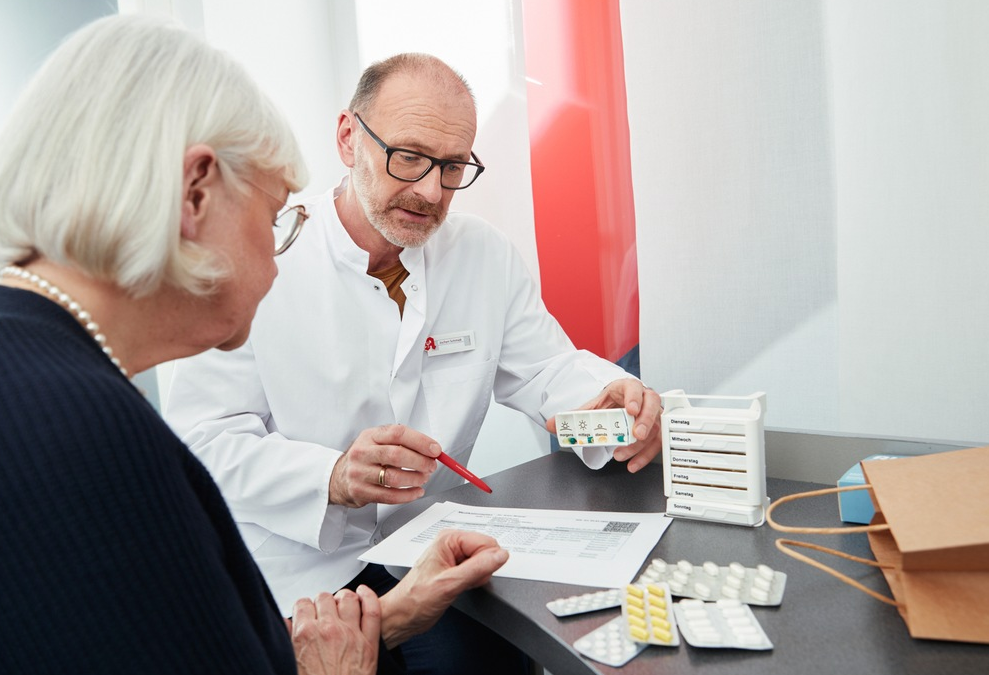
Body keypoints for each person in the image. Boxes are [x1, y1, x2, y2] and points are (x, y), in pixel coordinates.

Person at [0, 16, 509, 675]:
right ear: (196, 192)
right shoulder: (83, 435)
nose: (277, 259)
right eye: (275, 217)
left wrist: (391, 618)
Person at [163, 52, 664, 674]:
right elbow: (199, 441)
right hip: (295, 566)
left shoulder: (482, 256)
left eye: (453, 166)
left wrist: (615, 398)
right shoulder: (263, 257)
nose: (430, 191)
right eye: (409, 157)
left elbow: (545, 372)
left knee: (493, 665)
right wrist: (333, 476)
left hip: (426, 548)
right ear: (348, 136)